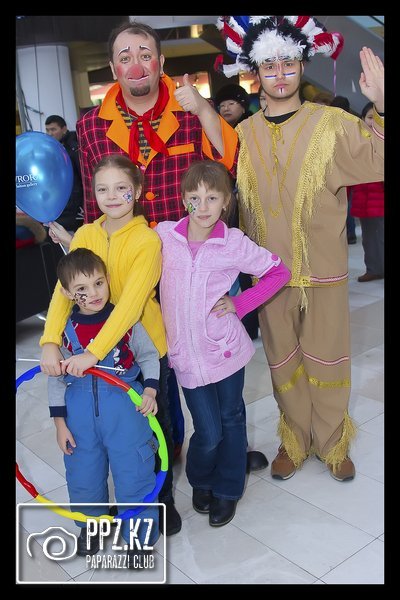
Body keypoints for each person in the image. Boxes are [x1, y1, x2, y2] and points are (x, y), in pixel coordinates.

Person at [216, 16, 384, 481]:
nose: (280, 73)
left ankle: (332, 443)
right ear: (255, 72)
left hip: (323, 271)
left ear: (302, 64)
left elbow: (378, 159)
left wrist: (382, 104)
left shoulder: (332, 123)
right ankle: (294, 439)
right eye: (269, 65)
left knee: (328, 357)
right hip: (269, 278)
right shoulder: (243, 134)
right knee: (282, 361)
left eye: (288, 62)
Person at [40, 154, 181, 537]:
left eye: (121, 188)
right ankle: (102, 513)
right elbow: (64, 291)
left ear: (137, 190)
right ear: (93, 194)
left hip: (139, 348)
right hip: (88, 351)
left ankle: (161, 501)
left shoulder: (147, 240)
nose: (112, 196)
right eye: (103, 189)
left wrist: (93, 353)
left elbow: (130, 306)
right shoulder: (86, 234)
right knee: (98, 437)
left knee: (153, 432)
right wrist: (50, 340)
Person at [156, 160, 291, 526]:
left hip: (225, 351)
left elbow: (278, 272)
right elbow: (127, 255)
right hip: (186, 357)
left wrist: (240, 303)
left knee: (231, 419)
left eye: (212, 198)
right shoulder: (165, 236)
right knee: (208, 431)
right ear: (183, 199)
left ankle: (229, 488)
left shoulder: (233, 243)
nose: (202, 207)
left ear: (226, 202)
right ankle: (201, 479)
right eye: (194, 197)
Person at [47, 248, 159, 566]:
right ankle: (91, 527)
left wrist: (150, 390)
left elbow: (149, 356)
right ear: (67, 293)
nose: (94, 293)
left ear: (108, 279)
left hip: (126, 412)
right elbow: (55, 380)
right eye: (82, 289)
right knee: (83, 474)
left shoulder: (125, 321)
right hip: (79, 418)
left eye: (98, 283)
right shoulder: (64, 332)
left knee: (134, 472)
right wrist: (59, 424)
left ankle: (138, 534)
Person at [350, 101, 384, 282]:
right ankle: (374, 269)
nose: (372, 122)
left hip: (380, 198)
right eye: (370, 117)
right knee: (369, 237)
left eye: (377, 118)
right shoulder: (356, 142)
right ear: (362, 119)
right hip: (363, 199)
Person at [45, 115, 84, 233]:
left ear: (64, 129)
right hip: (61, 201)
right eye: (47, 130)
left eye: (53, 129)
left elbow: (83, 175)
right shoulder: (51, 147)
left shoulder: (74, 145)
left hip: (77, 202)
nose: (50, 133)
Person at [329, 97, 358, 244]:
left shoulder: (329, 124)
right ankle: (350, 233)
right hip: (350, 167)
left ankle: (343, 233)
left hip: (336, 167)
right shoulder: (353, 123)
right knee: (347, 201)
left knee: (340, 202)